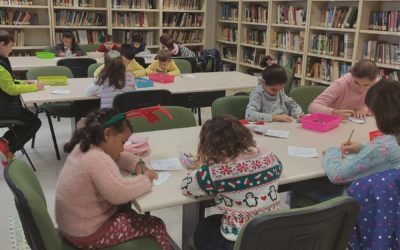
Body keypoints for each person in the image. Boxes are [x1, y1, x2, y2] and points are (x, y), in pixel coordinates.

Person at [56, 108, 171, 250]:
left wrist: (136, 165)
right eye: (123, 142)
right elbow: (119, 193)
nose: (123, 149)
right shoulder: (96, 159)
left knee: (127, 208)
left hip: (71, 227)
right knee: (157, 225)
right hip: (88, 234)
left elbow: (117, 157)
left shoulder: (85, 147)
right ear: (107, 134)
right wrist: (145, 179)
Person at [181, 116, 282, 250]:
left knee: (204, 227)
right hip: (271, 231)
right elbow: (279, 168)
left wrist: (201, 169)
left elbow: (187, 187)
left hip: (237, 241)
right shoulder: (268, 155)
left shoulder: (217, 170)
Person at [323, 79, 400, 184]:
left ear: (382, 115)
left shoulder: (384, 146)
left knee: (303, 187)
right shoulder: (391, 143)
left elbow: (337, 175)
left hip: (360, 197)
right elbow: (385, 156)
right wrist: (363, 148)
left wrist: (331, 151)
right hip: (392, 194)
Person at [0, 29, 44, 165]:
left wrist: (24, 82)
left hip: (4, 106)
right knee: (35, 122)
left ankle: (5, 142)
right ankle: (7, 149)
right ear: (2, 44)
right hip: (4, 109)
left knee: (30, 121)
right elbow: (11, 89)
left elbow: (7, 83)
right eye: (10, 46)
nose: (11, 50)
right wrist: (36, 87)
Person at [308, 59, 381, 119]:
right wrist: (334, 112)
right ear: (352, 75)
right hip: (332, 123)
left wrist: (365, 109)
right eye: (356, 83)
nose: (360, 89)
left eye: (366, 85)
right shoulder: (342, 83)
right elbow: (312, 107)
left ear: (374, 80)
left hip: (355, 124)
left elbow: (382, 109)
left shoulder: (377, 84)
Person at [245, 56, 303, 122]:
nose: (277, 92)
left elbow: (292, 104)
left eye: (281, 89)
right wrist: (276, 117)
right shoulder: (257, 95)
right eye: (273, 90)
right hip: (267, 128)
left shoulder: (279, 91)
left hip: (282, 127)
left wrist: (298, 113)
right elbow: (249, 115)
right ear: (263, 82)